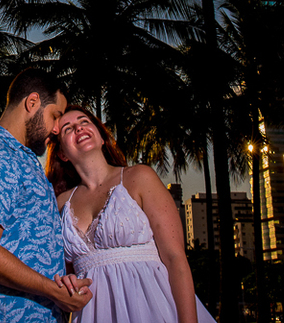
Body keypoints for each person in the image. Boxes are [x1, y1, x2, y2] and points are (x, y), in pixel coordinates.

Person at [47, 106, 216, 323]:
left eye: (84, 122)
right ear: (62, 153)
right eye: (68, 129)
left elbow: (175, 259)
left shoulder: (139, 177)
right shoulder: (60, 203)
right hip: (94, 315)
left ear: (100, 138)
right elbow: (60, 272)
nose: (79, 128)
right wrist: (67, 285)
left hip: (156, 309)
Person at [0, 69, 94, 323]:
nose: (57, 129)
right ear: (32, 103)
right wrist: (55, 292)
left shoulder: (22, 159)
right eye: (55, 116)